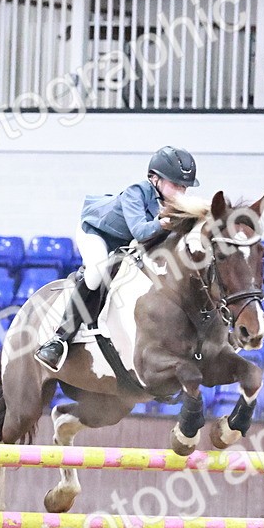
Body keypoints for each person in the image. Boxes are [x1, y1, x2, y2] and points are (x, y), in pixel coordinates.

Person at [34, 146, 199, 372]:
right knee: (96, 272)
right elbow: (141, 231)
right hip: (97, 234)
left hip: (126, 243)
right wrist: (165, 222)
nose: (180, 192)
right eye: (175, 184)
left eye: (184, 187)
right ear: (155, 179)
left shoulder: (173, 204)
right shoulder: (137, 192)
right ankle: (60, 339)